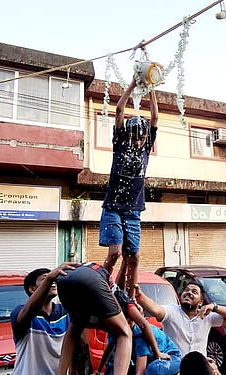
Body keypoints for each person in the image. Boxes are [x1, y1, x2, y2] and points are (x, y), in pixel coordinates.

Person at [100, 76, 159, 299]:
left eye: (143, 136)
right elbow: (118, 110)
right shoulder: (120, 145)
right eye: (136, 135)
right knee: (115, 252)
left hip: (133, 210)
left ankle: (130, 296)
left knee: (133, 256)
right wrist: (133, 84)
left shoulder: (145, 150)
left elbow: (154, 117)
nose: (140, 139)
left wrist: (151, 88)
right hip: (113, 207)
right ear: (129, 134)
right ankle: (102, 287)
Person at [134, 279, 226, 359]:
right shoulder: (172, 311)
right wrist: (139, 295)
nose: (189, 293)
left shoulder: (207, 317)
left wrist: (214, 307)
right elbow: (155, 309)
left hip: (199, 368)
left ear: (201, 302)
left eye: (194, 292)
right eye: (186, 290)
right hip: (175, 366)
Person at [10, 262, 78, 375]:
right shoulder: (21, 312)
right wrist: (50, 278)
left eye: (54, 280)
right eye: (45, 279)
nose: (53, 283)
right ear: (32, 289)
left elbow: (75, 342)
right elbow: (29, 311)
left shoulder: (64, 312)